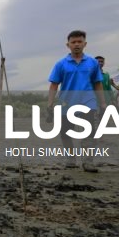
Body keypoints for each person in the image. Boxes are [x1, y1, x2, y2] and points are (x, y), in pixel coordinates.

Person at [47, 30, 106, 172]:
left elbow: (98, 83)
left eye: (80, 42)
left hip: (88, 101)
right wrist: (49, 104)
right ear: (68, 45)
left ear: (85, 44)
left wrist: (103, 103)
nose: (77, 44)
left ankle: (88, 161)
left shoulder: (92, 62)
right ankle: (70, 159)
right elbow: (54, 84)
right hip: (67, 102)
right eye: (73, 42)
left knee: (89, 132)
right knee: (66, 132)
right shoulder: (61, 64)